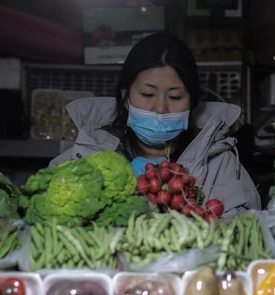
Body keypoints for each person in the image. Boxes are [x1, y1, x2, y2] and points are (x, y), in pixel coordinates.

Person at [50, 32, 261, 218]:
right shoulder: (86, 154)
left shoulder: (220, 163)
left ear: (192, 102)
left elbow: (247, 225)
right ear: (125, 97)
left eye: (175, 96)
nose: (160, 107)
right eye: (147, 94)